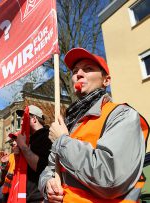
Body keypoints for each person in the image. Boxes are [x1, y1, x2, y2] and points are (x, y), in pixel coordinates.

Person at [39, 47, 149, 202]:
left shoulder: (122, 115)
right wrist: (47, 185)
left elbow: (110, 177)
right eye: (75, 71)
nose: (79, 74)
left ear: (106, 80)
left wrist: (62, 141)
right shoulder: (68, 123)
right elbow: (49, 169)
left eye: (88, 69)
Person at [15, 105, 53, 202]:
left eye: (24, 119)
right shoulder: (29, 140)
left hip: (38, 197)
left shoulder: (47, 136)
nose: (21, 122)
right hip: (25, 195)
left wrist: (24, 147)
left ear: (34, 119)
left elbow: (41, 167)